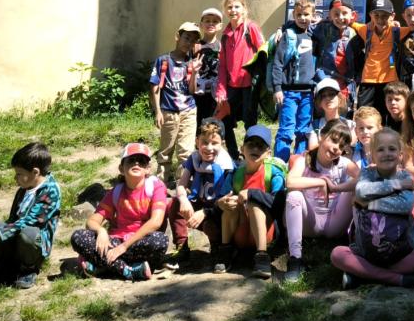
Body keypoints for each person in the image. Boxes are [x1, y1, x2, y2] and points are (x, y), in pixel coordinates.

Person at [330, 128, 414, 290]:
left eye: (392, 149)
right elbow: (361, 192)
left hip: (401, 253)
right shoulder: (367, 174)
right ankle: (397, 279)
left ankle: (363, 275)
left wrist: (369, 204)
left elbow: (404, 205)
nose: (386, 153)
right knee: (337, 254)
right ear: (372, 156)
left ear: (400, 155)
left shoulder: (405, 177)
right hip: (366, 253)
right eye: (381, 149)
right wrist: (396, 185)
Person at [71, 143, 168, 281]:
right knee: (78, 236)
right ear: (121, 168)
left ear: (147, 169)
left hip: (139, 242)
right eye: (131, 160)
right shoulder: (116, 192)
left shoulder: (155, 186)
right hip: (116, 241)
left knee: (160, 241)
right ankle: (129, 270)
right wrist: (101, 231)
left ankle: (101, 265)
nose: (136, 163)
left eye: (141, 161)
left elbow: (156, 222)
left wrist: (123, 247)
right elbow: (92, 221)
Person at [0, 141, 61, 291]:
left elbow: (31, 220)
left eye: (19, 174)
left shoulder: (51, 191)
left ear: (35, 172)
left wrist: (0, 234)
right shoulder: (24, 189)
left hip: (35, 243)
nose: (16, 178)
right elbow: (13, 218)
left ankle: (28, 269)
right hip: (16, 236)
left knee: (29, 232)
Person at [284, 118, 360, 282]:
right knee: (294, 195)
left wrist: (336, 188)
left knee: (357, 190)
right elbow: (290, 182)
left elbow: (363, 179)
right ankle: (295, 259)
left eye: (341, 146)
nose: (336, 148)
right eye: (333, 140)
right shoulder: (305, 160)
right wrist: (321, 182)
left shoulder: (344, 163)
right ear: (321, 136)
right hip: (310, 222)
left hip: (334, 222)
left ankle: (359, 249)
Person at [216, 124, 287, 279]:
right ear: (242, 149)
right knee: (229, 205)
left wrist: (251, 193)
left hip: (267, 233)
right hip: (241, 231)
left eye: (260, 146)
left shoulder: (274, 173)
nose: (255, 149)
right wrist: (221, 203)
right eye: (251, 144)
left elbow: (279, 203)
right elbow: (220, 199)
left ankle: (262, 256)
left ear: (268, 153)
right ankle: (225, 251)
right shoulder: (235, 174)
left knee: (255, 203)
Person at [169, 119, 234, 266]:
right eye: (204, 142)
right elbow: (181, 185)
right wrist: (184, 199)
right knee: (176, 202)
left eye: (214, 143)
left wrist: (205, 212)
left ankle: (218, 247)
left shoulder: (227, 165)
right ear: (197, 141)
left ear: (222, 143)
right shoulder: (194, 159)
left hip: (217, 212)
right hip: (201, 204)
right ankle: (181, 246)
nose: (209, 148)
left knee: (209, 225)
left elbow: (225, 200)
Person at [214, 0, 265, 158]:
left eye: (237, 6)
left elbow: (264, 52)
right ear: (225, 10)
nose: (233, 10)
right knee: (224, 120)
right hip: (232, 86)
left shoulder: (251, 28)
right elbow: (222, 66)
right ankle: (233, 154)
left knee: (250, 122)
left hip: (249, 85)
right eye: (229, 7)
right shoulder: (225, 34)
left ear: (244, 8)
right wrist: (221, 90)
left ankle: (251, 155)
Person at [150, 21, 200, 185]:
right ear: (177, 37)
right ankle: (161, 183)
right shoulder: (163, 60)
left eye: (193, 40)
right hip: (168, 112)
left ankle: (182, 184)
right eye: (186, 38)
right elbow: (155, 87)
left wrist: (195, 73)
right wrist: (158, 111)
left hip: (188, 111)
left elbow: (192, 90)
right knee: (166, 150)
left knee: (186, 151)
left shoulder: (192, 63)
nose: (189, 43)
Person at [271, 0, 318, 161]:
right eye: (299, 15)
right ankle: (279, 164)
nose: (303, 18)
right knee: (286, 129)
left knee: (303, 131)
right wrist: (277, 88)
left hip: (308, 93)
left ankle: (299, 163)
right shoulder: (288, 35)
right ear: (293, 15)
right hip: (289, 93)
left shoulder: (314, 35)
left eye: (306, 14)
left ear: (313, 15)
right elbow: (277, 63)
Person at [354, 0, 401, 122]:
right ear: (370, 15)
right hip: (368, 81)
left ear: (392, 16)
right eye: (376, 15)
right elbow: (349, 22)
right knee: (364, 116)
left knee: (388, 117)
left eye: (385, 16)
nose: (380, 20)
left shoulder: (397, 32)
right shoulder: (366, 30)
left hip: (390, 80)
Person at [314, 0, 359, 102]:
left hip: (345, 84)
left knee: (343, 109)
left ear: (353, 15)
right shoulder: (323, 29)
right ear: (330, 16)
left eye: (344, 13)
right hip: (326, 80)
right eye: (336, 14)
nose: (340, 17)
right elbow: (303, 27)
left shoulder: (355, 33)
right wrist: (282, 28)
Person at [192, 7, 224, 126]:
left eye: (215, 21)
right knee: (197, 123)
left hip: (215, 94)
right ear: (201, 24)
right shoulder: (195, 46)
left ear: (220, 26)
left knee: (212, 124)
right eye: (207, 21)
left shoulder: (222, 47)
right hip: (198, 92)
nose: (211, 23)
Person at [307, 77, 351, 149]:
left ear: (339, 98)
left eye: (331, 94)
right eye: (323, 96)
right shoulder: (314, 126)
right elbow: (312, 148)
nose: (327, 98)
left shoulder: (350, 125)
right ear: (319, 102)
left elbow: (350, 147)